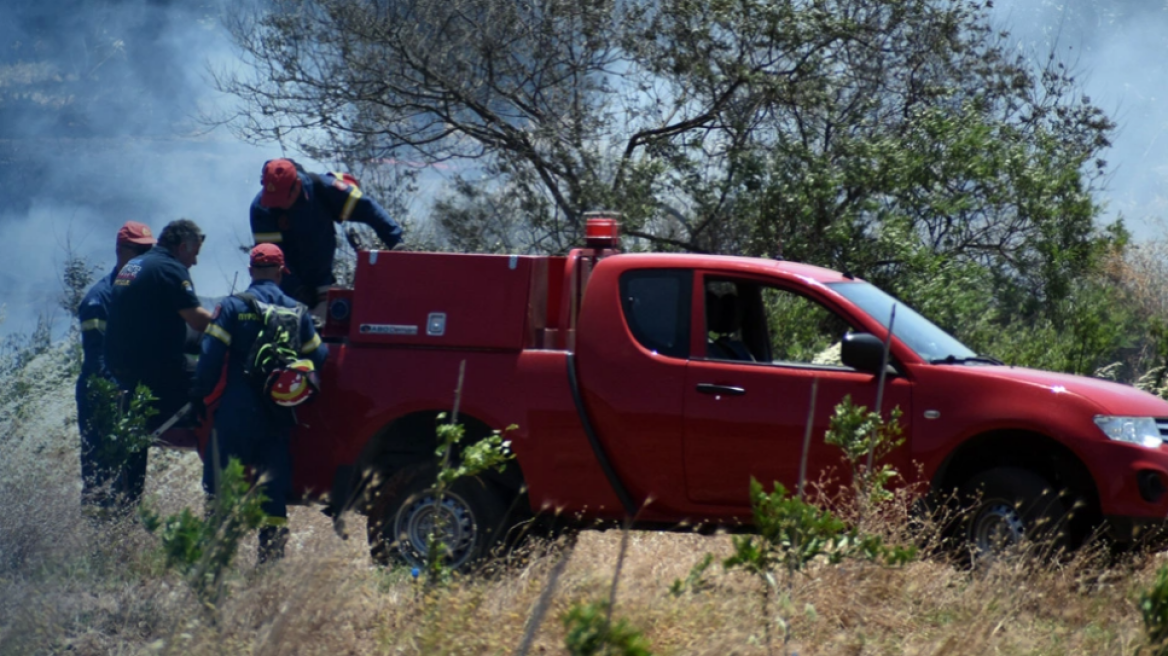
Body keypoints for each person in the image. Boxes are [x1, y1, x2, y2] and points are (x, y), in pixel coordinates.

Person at [194, 243, 328, 563]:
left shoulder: (231, 306)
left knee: (220, 486)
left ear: (252, 271)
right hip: (278, 415)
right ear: (281, 273)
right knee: (272, 489)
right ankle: (269, 566)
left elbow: (210, 356)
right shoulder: (298, 312)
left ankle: (215, 560)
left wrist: (198, 395)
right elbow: (320, 356)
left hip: (236, 414)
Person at [105, 218, 213, 507]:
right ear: (182, 247)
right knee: (216, 380)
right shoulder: (170, 268)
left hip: (123, 369)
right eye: (195, 254)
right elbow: (197, 319)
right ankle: (217, 471)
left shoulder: (136, 266)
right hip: (154, 369)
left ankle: (124, 509)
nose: (195, 262)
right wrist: (233, 322)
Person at [250, 158, 403, 316]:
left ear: (296, 186)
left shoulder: (324, 189)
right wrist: (297, 290)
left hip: (322, 282)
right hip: (284, 289)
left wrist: (395, 241)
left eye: (280, 199)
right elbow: (271, 261)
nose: (275, 205)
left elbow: (367, 208)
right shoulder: (262, 209)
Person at [76, 221, 157, 507]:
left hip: (131, 397)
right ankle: (98, 545)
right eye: (140, 251)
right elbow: (97, 357)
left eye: (150, 252)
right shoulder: (99, 299)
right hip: (103, 397)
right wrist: (117, 391)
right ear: (121, 251)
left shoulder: (143, 296)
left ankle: (125, 538)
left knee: (132, 480)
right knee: (100, 474)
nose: (146, 259)